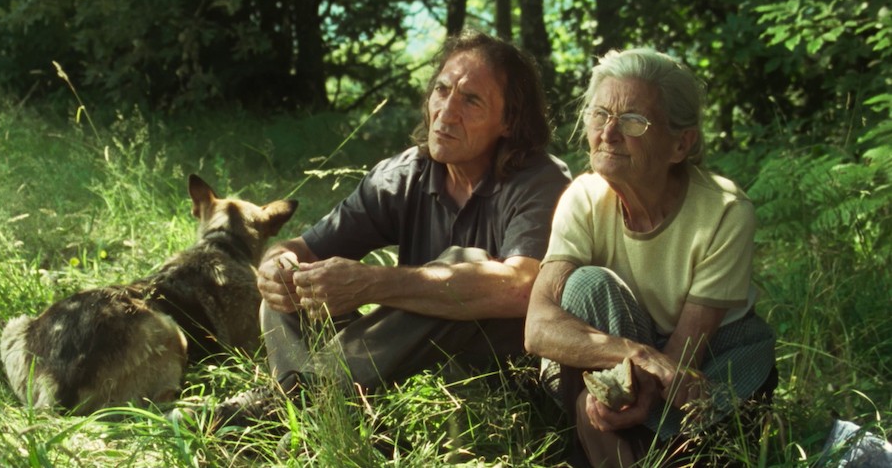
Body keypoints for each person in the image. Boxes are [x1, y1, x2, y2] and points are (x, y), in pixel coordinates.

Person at [213, 29, 572, 424]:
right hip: (400, 367)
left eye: (471, 101)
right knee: (290, 291)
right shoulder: (403, 176)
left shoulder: (541, 181)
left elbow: (523, 288)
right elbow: (300, 248)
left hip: (491, 380)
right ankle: (331, 414)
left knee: (460, 266)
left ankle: (295, 401)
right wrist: (274, 267)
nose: (446, 112)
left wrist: (375, 283)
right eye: (442, 90)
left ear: (509, 121)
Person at [523, 48, 777, 467]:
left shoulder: (725, 212)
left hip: (709, 355)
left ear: (681, 143)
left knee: (705, 408)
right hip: (626, 356)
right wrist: (636, 358)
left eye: (633, 121)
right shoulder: (583, 198)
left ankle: (626, 444)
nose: (608, 132)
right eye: (599, 113)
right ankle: (632, 445)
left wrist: (641, 390)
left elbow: (681, 362)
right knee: (587, 286)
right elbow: (538, 327)